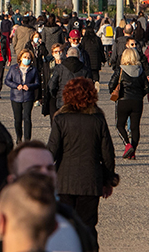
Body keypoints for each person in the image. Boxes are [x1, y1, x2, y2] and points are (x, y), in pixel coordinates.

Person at [47, 77, 117, 229]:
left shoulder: (60, 119)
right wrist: (108, 180)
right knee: (88, 227)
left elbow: (51, 150)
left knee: (65, 227)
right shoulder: (98, 120)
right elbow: (107, 153)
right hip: (90, 181)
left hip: (65, 181)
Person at [110, 48, 149, 160]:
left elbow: (111, 84)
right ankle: (133, 150)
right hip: (137, 102)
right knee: (135, 127)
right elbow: (147, 88)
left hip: (123, 100)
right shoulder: (141, 70)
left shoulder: (121, 70)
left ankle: (127, 145)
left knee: (120, 125)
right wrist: (139, 95)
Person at [4, 49, 40, 141]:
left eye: (28, 58)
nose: (26, 59)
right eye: (25, 57)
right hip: (16, 97)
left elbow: (37, 83)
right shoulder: (13, 68)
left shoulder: (33, 70)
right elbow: (7, 80)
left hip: (28, 96)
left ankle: (27, 139)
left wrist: (30, 86)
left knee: (27, 118)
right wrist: (16, 86)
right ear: (20, 58)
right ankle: (19, 137)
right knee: (18, 119)